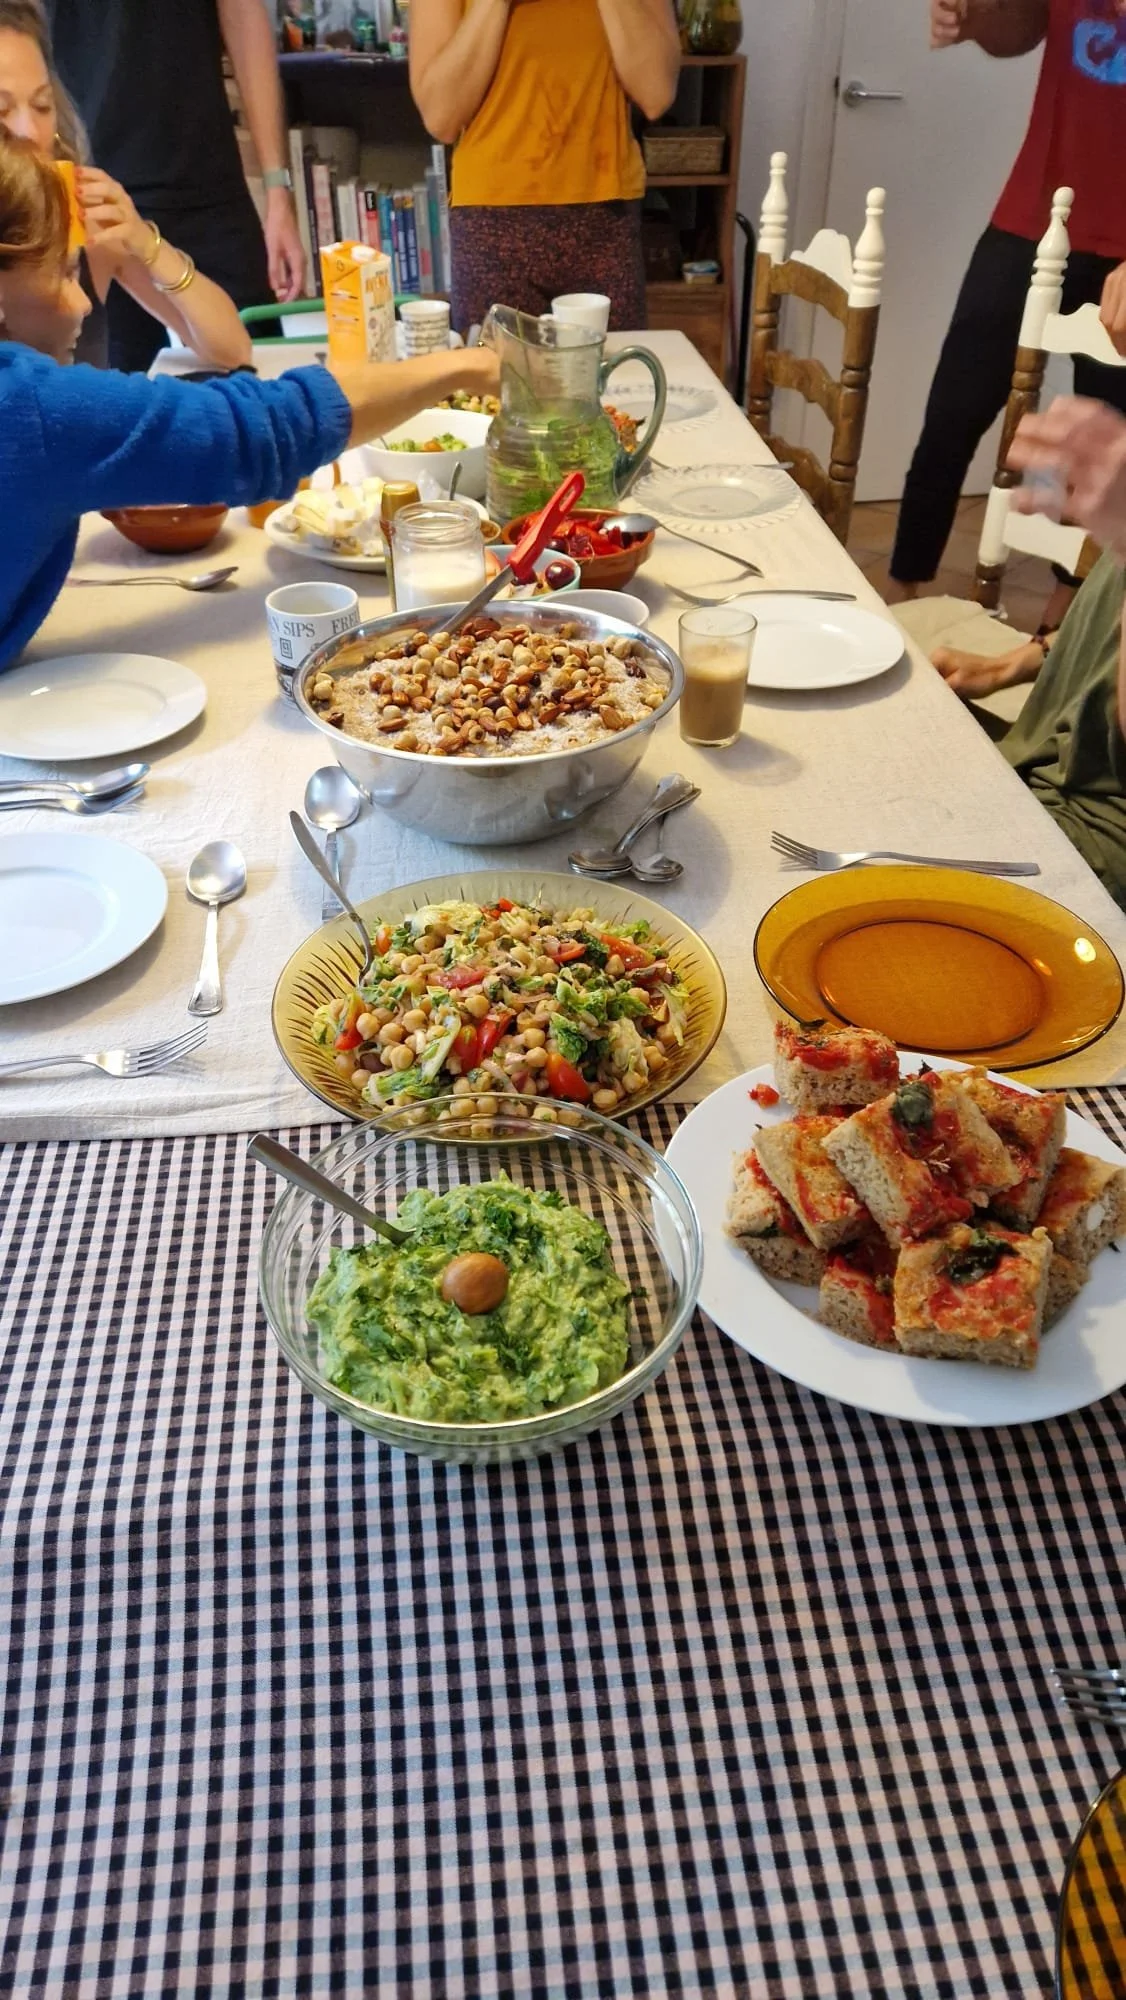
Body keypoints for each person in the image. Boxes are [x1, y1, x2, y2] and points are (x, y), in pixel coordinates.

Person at [0, 134, 499, 669]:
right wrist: (471, 364)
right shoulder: (27, 406)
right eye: (64, 272)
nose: (81, 303)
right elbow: (267, 426)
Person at [888, 0, 1126, 609]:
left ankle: (1061, 629)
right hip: (1031, 218)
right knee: (952, 413)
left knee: (1098, 445)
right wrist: (974, 20)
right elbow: (1024, 27)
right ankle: (901, 592)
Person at [45, 0, 305, 373]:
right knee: (111, 397)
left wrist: (278, 189)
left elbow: (243, 15)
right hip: (88, 191)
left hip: (206, 183)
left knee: (255, 375)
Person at [0, 0, 249, 371]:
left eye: (42, 106)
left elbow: (232, 350)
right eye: (2, 112)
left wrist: (145, 242)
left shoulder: (88, 225)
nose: (31, 132)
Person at [409, 0, 681, 332]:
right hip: (491, 226)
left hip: (606, 220)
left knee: (615, 378)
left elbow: (656, 92)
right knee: (489, 376)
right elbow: (441, 117)